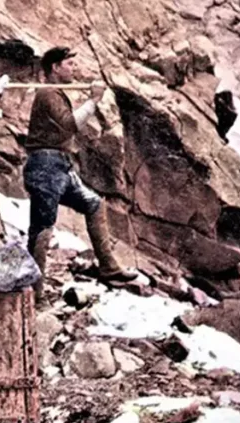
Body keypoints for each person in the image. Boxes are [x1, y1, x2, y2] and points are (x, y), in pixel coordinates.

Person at [24, 46, 138, 302]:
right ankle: (33, 294)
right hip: (45, 166)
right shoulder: (47, 93)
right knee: (42, 229)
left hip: (59, 165)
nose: (74, 68)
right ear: (55, 67)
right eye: (69, 64)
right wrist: (93, 100)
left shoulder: (55, 93)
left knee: (94, 204)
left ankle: (109, 268)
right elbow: (70, 124)